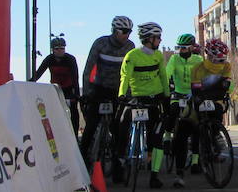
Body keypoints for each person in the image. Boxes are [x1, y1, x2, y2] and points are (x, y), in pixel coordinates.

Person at [172, 38, 231, 188]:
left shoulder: (227, 66)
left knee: (216, 110)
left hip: (215, 100)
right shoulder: (197, 68)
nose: (220, 63)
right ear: (209, 56)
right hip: (197, 99)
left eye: (222, 60)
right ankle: (179, 173)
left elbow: (226, 87)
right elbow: (196, 91)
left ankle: (214, 136)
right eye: (217, 59)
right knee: (182, 134)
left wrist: (221, 92)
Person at [117, 21, 170, 188]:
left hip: (155, 98)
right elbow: (125, 77)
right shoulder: (132, 55)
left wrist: (167, 96)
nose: (160, 40)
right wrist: (121, 94)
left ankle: (154, 175)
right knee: (121, 124)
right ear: (149, 39)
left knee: (157, 138)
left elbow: (163, 76)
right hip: (137, 98)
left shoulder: (158, 56)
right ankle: (120, 158)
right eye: (158, 37)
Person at [79, 15, 136, 169]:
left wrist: (130, 94)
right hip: (99, 88)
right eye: (124, 31)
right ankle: (82, 161)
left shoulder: (130, 46)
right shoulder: (100, 43)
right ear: (114, 31)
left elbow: (131, 73)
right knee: (91, 126)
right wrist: (86, 92)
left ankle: (118, 166)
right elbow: (87, 69)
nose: (127, 35)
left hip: (118, 91)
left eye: (129, 32)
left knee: (118, 130)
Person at [31, 35, 80, 134]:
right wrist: (29, 83)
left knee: (74, 111)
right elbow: (38, 73)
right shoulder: (49, 59)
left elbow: (75, 77)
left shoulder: (70, 59)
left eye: (62, 48)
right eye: (57, 49)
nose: (60, 51)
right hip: (55, 89)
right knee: (52, 111)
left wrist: (77, 94)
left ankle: (74, 134)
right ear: (52, 50)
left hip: (69, 89)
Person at [164, 34, 202, 151]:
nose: (181, 50)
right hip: (178, 92)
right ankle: (167, 136)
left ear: (191, 48)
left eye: (184, 47)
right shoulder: (174, 59)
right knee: (173, 109)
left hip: (193, 93)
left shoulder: (198, 60)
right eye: (178, 47)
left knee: (199, 117)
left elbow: (203, 76)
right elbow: (167, 73)